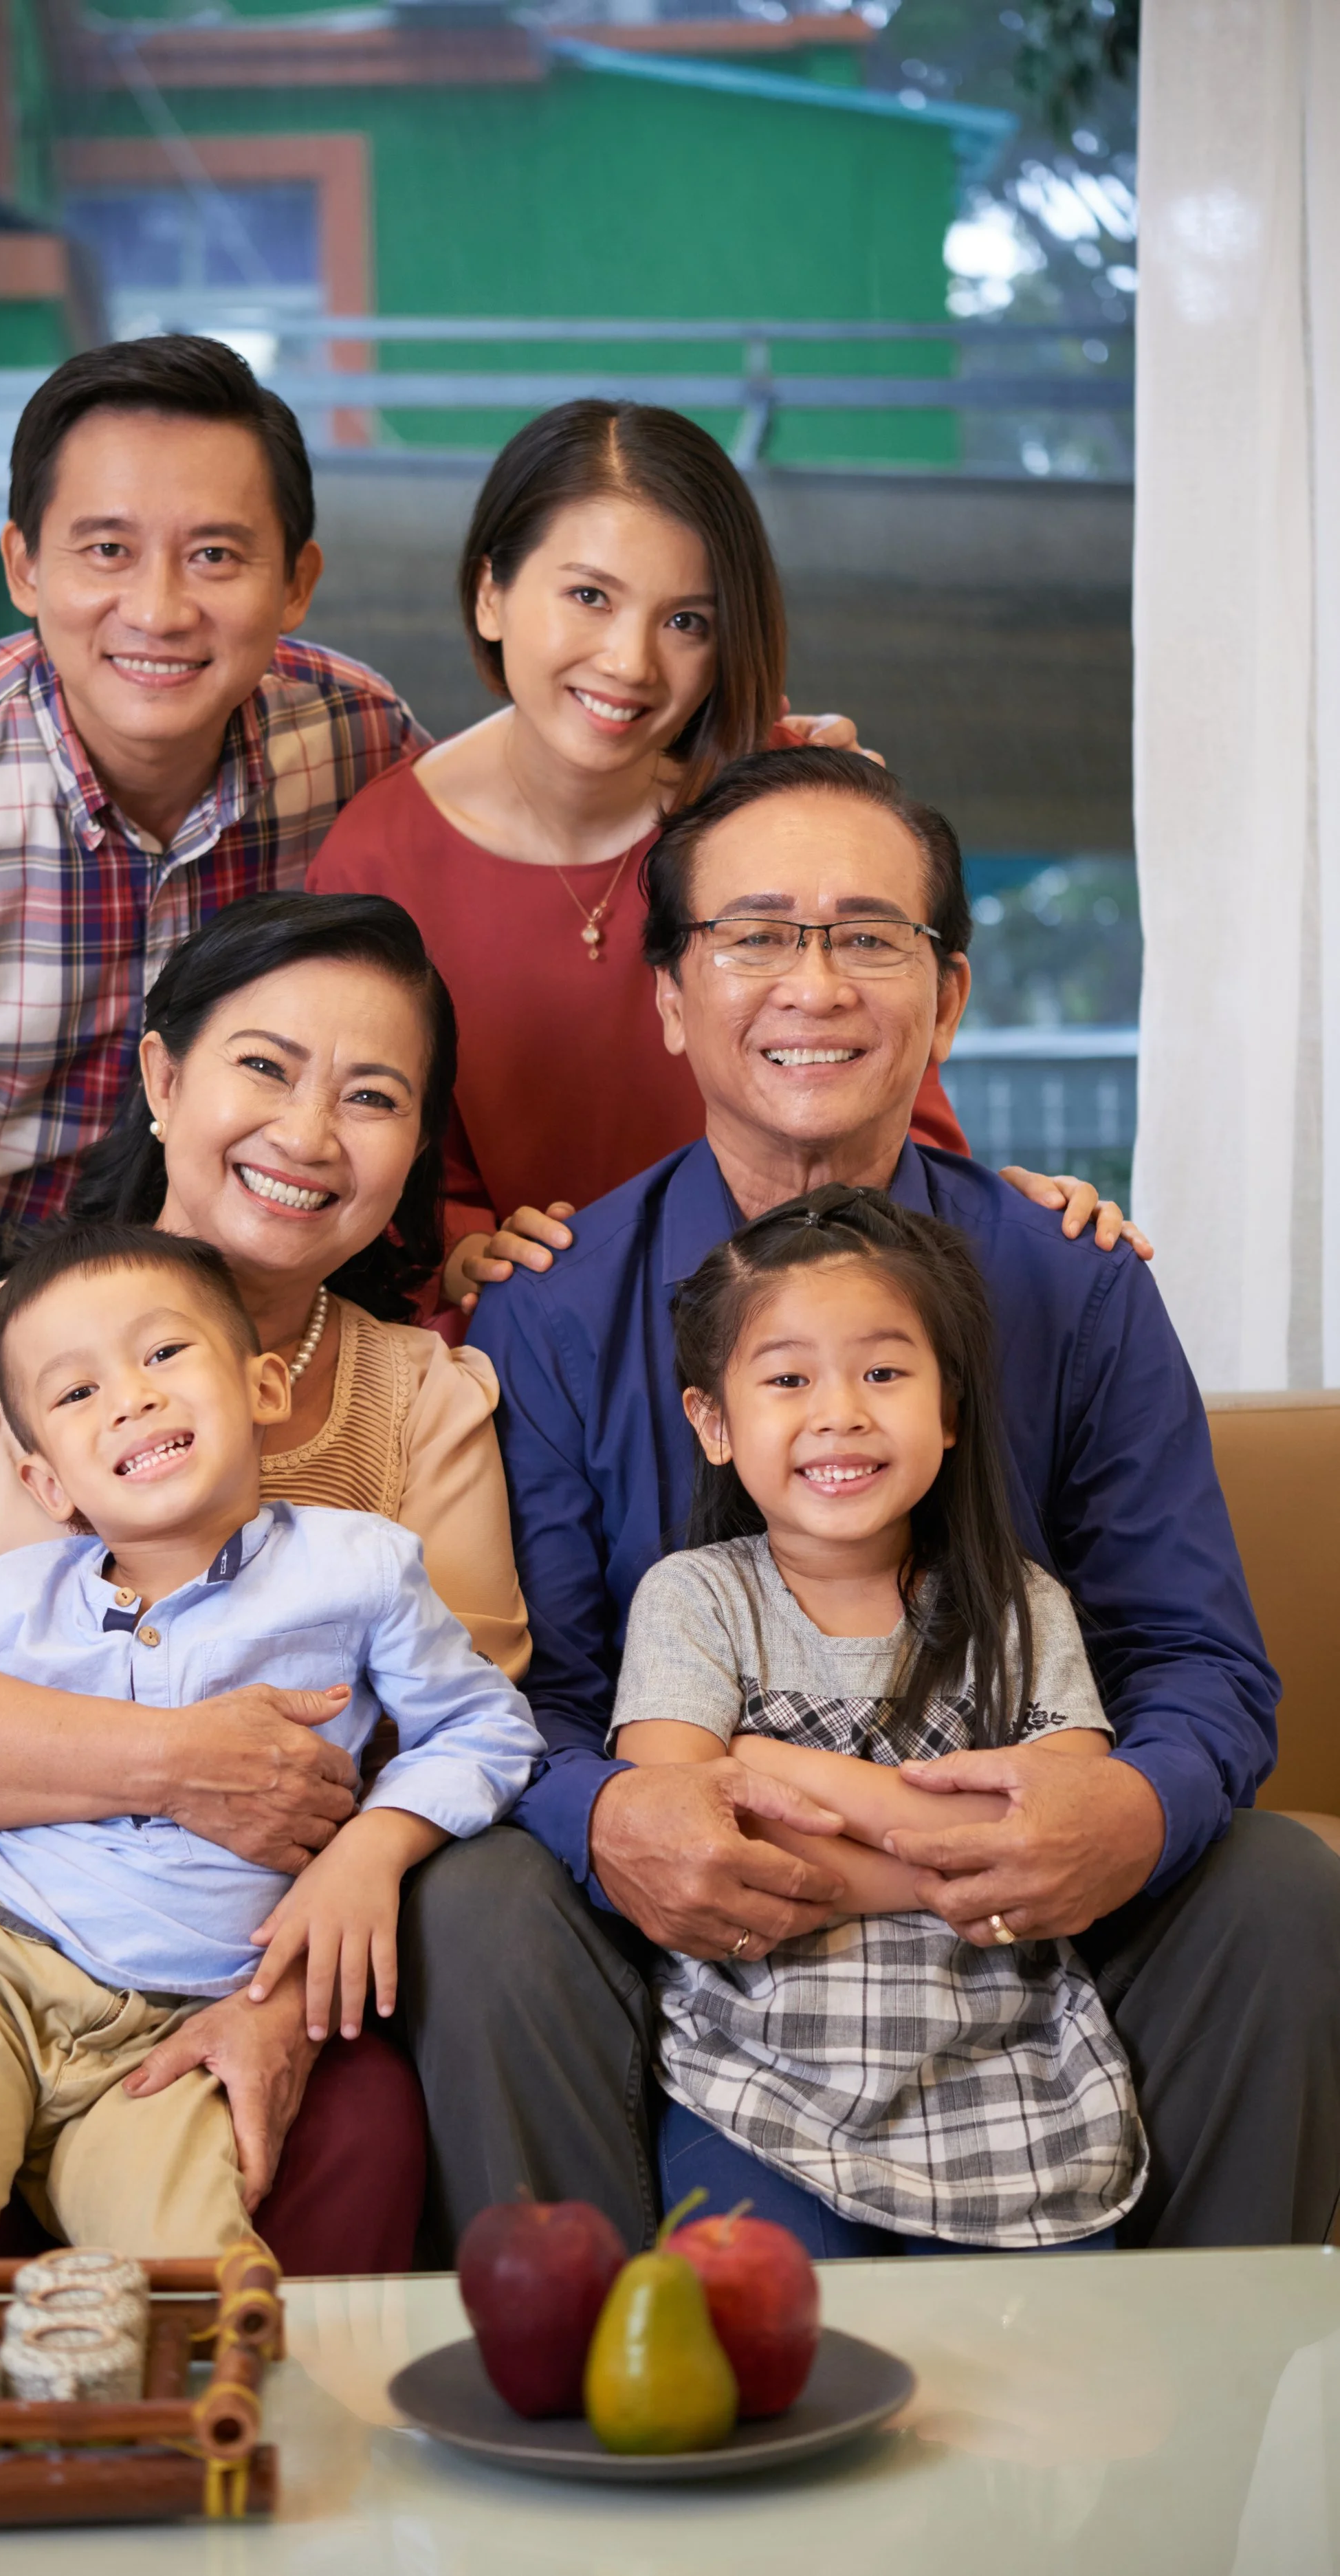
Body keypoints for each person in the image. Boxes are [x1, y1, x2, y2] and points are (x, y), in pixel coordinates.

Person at [396, 744, 1340, 2258]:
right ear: (667, 996)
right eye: (754, 934)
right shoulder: (554, 1305)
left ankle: (1201, 2440)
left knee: (1281, 1888)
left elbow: (1200, 1661)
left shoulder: (1069, 1278)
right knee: (479, 1902)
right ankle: (604, 2423)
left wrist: (1129, 1801)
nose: (811, 984)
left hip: (1026, 1913)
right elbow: (530, 1696)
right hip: (685, 1914)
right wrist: (619, 1810)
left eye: (866, 937)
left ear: (946, 996)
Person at [0, 893, 527, 2274]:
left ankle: (214, 2475)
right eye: (262, 1066)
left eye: (372, 1096)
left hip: (235, 1962)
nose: (309, 1132)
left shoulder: (428, 1399)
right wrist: (180, 1760)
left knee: (343, 2154)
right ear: (163, 1079)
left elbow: (455, 1741)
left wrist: (271, 2003)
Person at [0, 335, 427, 1444]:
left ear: (297, 582)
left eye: (214, 556)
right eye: (106, 548)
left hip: (238, 1259)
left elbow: (515, 829)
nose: (157, 609)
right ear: (24, 565)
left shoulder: (356, 738)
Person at [309, 399, 969, 1316]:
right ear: (490, 592)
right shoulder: (378, 856)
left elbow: (902, 1100)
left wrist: (1029, 1221)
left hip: (812, 1327)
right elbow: (377, 1165)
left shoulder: (785, 799)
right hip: (532, 1349)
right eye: (589, 596)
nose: (630, 663)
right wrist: (461, 1252)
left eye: (686, 623)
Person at [613, 1187, 1144, 2256]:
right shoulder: (695, 1599)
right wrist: (956, 1867)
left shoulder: (1020, 1606)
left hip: (1011, 2083)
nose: (842, 1411)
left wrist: (775, 1763)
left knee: (1041, 2390)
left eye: (885, 1372)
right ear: (712, 1421)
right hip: (755, 2089)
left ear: (949, 1410)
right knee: (780, 2366)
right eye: (788, 1378)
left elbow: (1052, 1839)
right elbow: (706, 1836)